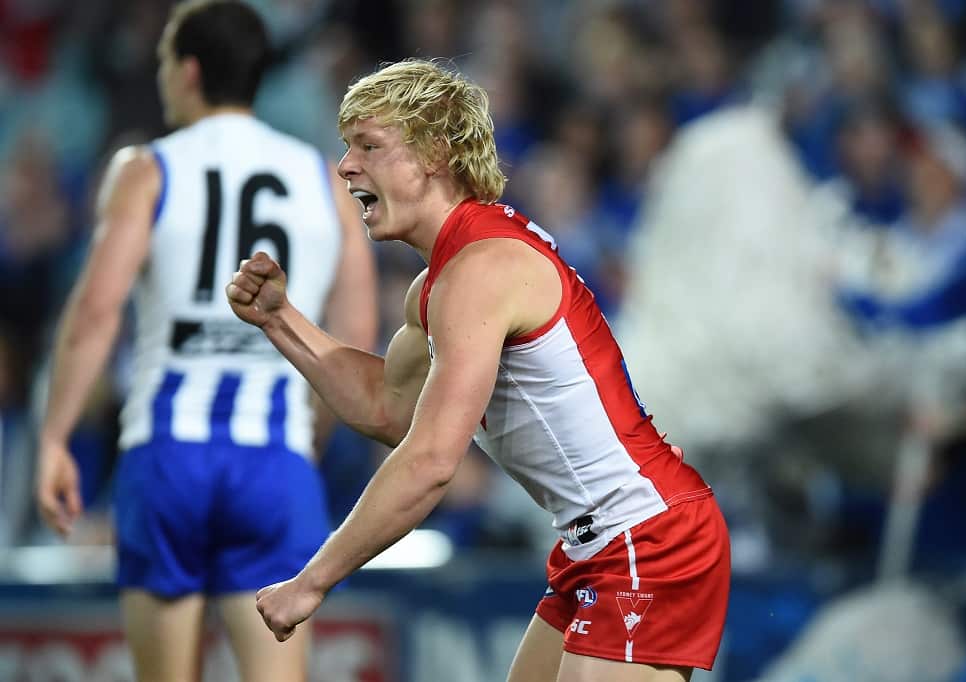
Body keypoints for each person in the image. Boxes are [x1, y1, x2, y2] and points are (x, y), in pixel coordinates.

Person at [227, 58, 730, 682]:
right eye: (346, 147)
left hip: (649, 540)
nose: (345, 165)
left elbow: (432, 462)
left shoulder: (479, 273)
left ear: (434, 153)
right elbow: (388, 407)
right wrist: (279, 320)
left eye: (369, 146)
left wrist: (312, 581)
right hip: (600, 545)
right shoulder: (441, 283)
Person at [34, 1, 378, 680]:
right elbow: (357, 331)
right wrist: (306, 441)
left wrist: (54, 438)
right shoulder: (321, 179)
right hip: (273, 459)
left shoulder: (147, 168)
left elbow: (97, 310)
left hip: (166, 454)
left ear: (188, 71)